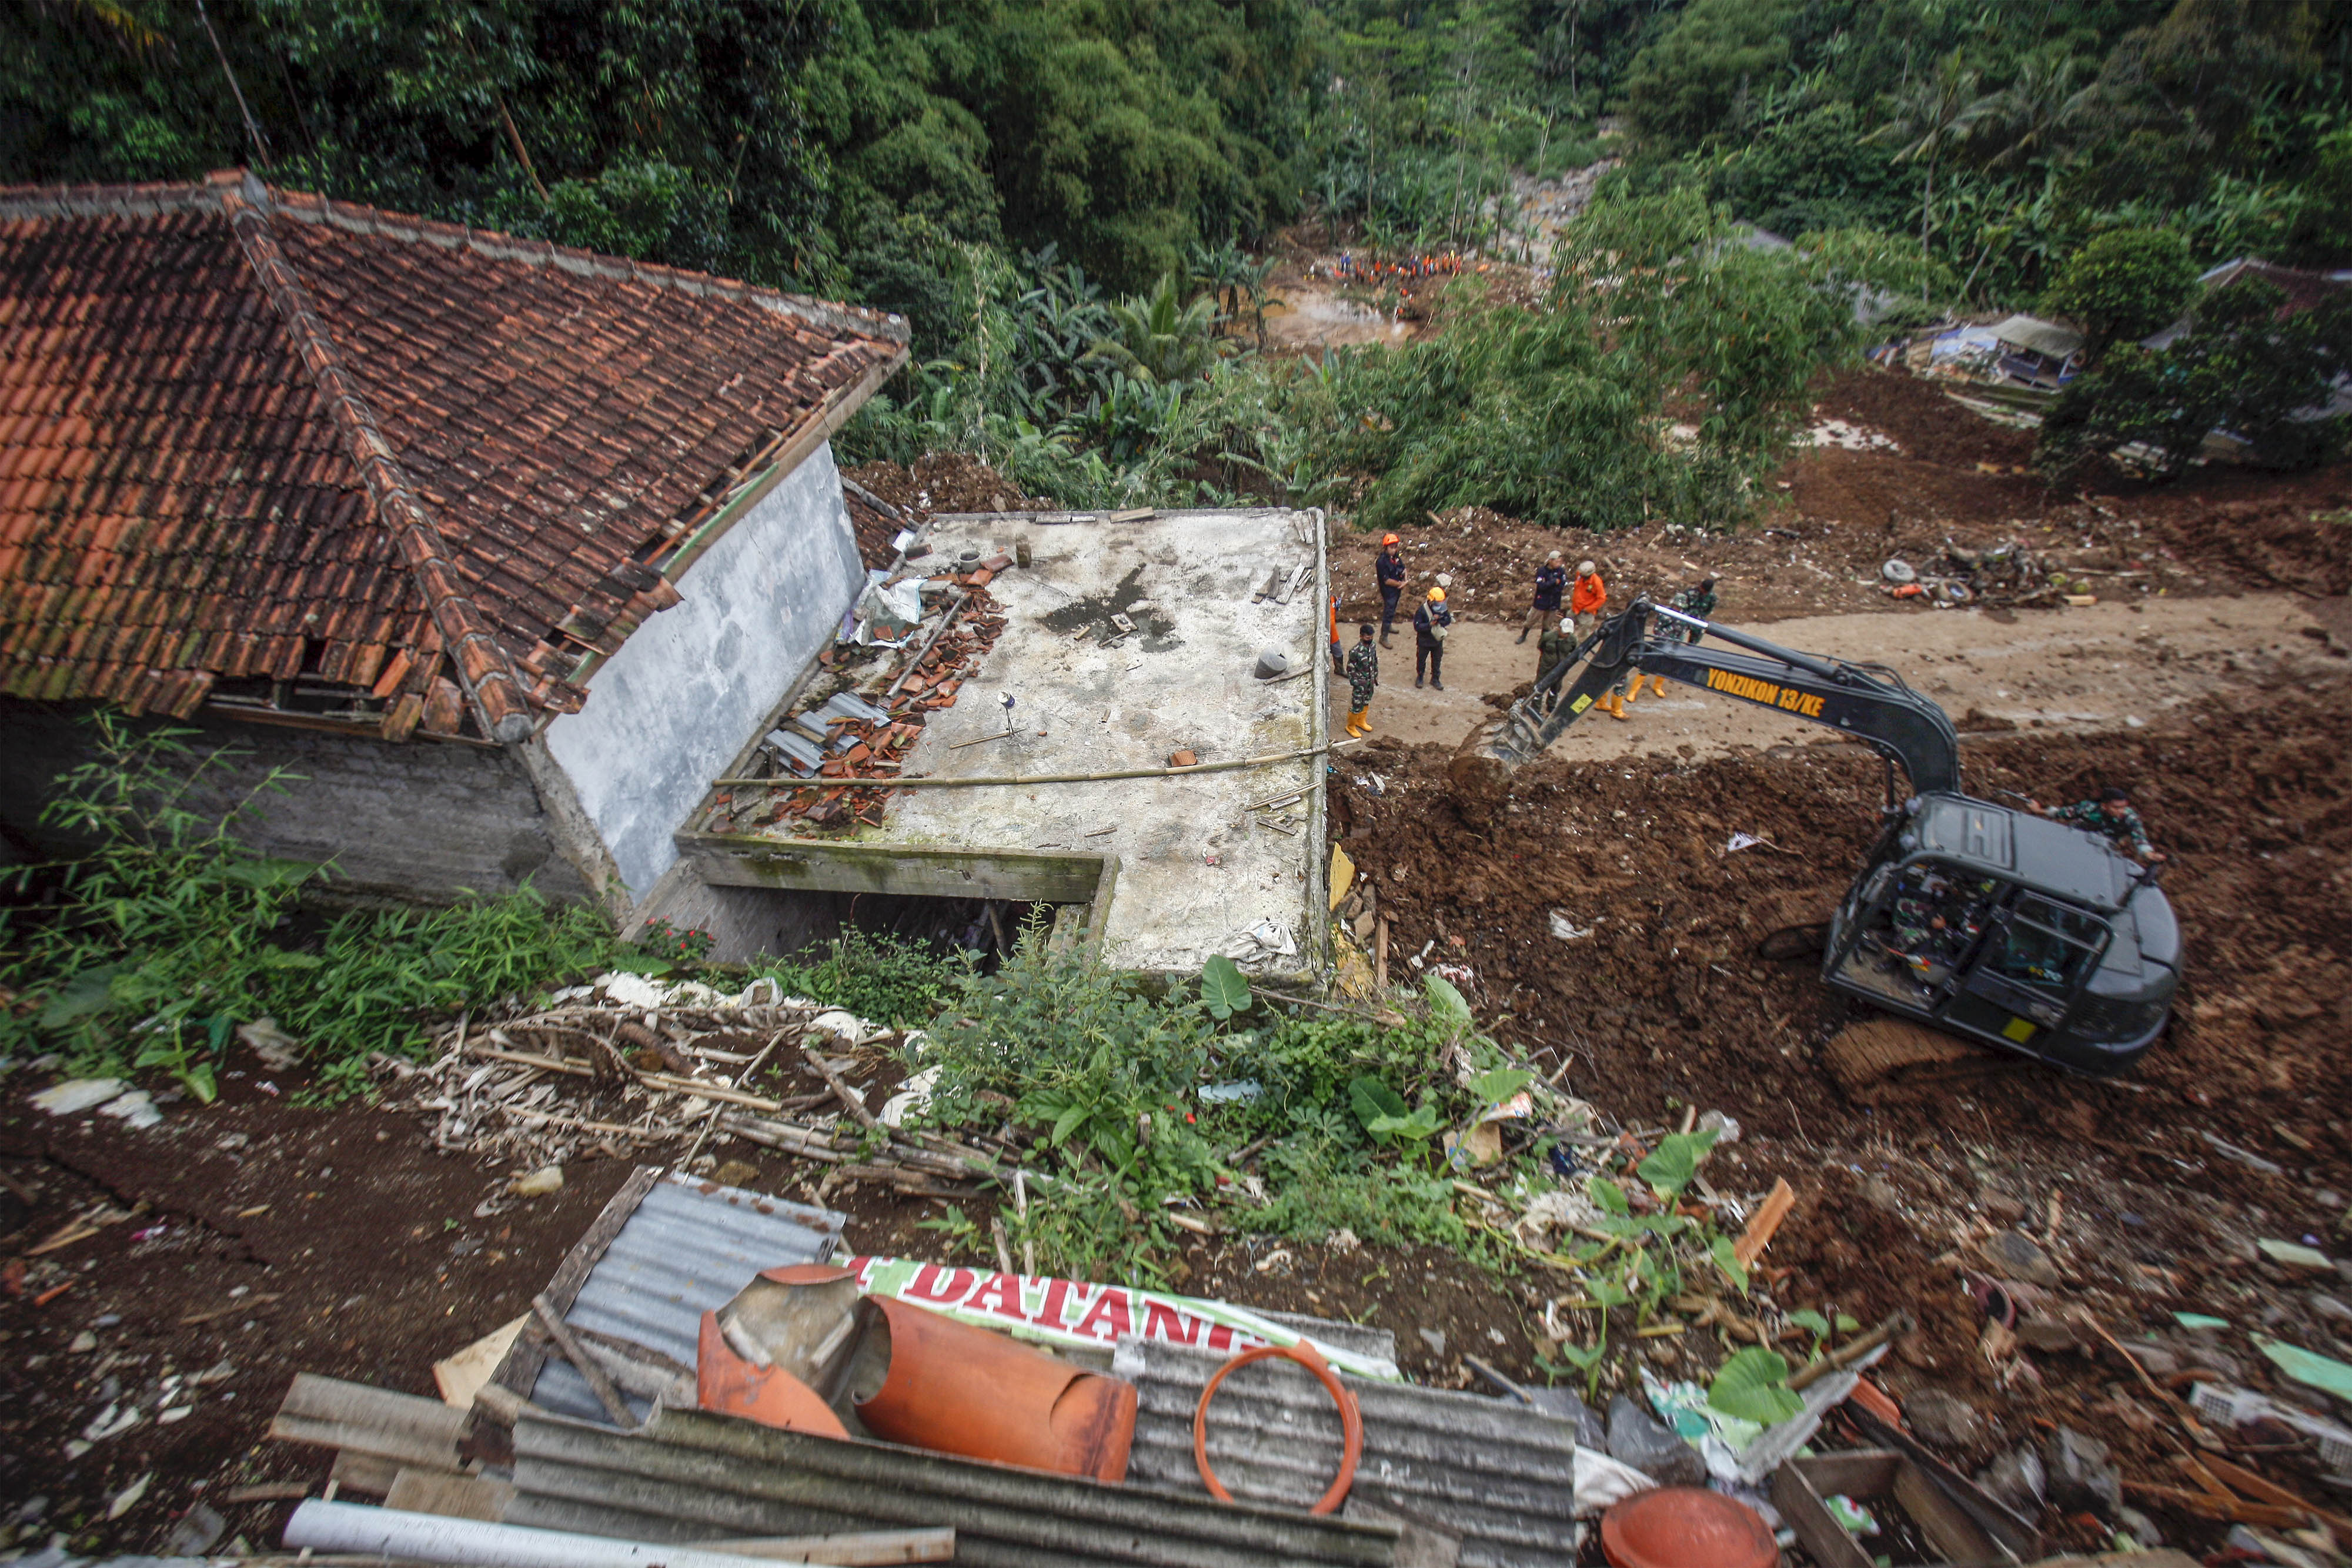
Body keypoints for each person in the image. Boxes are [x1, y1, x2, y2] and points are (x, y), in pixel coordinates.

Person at [2030, 784, 2164, 862]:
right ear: (2104, 806)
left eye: (2123, 807)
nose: (2121, 811)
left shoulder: (2130, 819)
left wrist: (2149, 855)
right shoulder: (2088, 808)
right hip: (2073, 842)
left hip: (2100, 853)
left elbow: (2140, 839)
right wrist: (2039, 810)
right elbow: (2063, 813)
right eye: (2116, 808)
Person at [1643, 575, 1718, 697]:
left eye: (1705, 591)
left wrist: (1700, 617)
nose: (1703, 592)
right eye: (1702, 589)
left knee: (1691, 644)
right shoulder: (1691, 592)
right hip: (1684, 619)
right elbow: (1681, 605)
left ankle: (1683, 663)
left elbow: (1708, 610)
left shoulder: (1712, 597)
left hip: (1698, 621)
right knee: (1664, 646)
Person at [1519, 550, 1568, 643]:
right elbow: (1541, 586)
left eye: (1560, 562)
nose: (1559, 564)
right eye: (1557, 562)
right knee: (1531, 619)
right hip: (1541, 600)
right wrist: (1554, 582)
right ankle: (1523, 636)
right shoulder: (1542, 571)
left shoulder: (1561, 571)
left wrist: (1550, 586)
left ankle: (1543, 640)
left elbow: (1562, 585)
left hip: (1554, 601)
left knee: (1548, 624)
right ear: (1550, 561)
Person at [1344, 624, 1379, 736]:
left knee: (1366, 701)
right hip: (1360, 683)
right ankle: (1351, 726)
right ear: (1361, 636)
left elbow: (1374, 661)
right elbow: (1350, 669)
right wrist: (1356, 683)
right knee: (1357, 704)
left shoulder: (1372, 646)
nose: (1370, 639)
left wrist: (1375, 676)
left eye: (1371, 637)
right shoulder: (1355, 651)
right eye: (1367, 637)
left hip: (1370, 682)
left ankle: (1361, 721)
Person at [1413, 586, 1452, 689]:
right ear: (1431, 601)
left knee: (1437, 661)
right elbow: (1417, 627)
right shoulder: (1422, 611)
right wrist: (1430, 625)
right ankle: (1420, 677)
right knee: (1421, 660)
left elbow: (1448, 620)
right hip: (1424, 641)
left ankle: (1435, 679)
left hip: (1437, 641)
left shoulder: (1442, 610)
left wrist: (1439, 621)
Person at [1535, 614, 1575, 714]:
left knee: (1556, 687)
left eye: (1568, 633)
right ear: (1559, 628)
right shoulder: (1548, 636)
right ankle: (1536, 708)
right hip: (1546, 666)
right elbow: (1541, 647)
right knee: (1539, 686)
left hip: (1561, 667)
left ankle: (1551, 705)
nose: (1566, 635)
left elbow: (1574, 651)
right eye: (1565, 632)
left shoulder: (1572, 640)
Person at [1375, 534, 1408, 645]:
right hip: (1388, 591)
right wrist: (1400, 584)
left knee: (1392, 609)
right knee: (1388, 611)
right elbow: (1387, 580)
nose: (1394, 550)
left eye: (1395, 547)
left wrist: (1405, 579)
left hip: (1397, 589)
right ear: (1386, 548)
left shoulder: (1395, 558)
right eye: (1392, 548)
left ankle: (1388, 626)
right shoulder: (1381, 562)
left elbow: (1403, 568)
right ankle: (1383, 637)